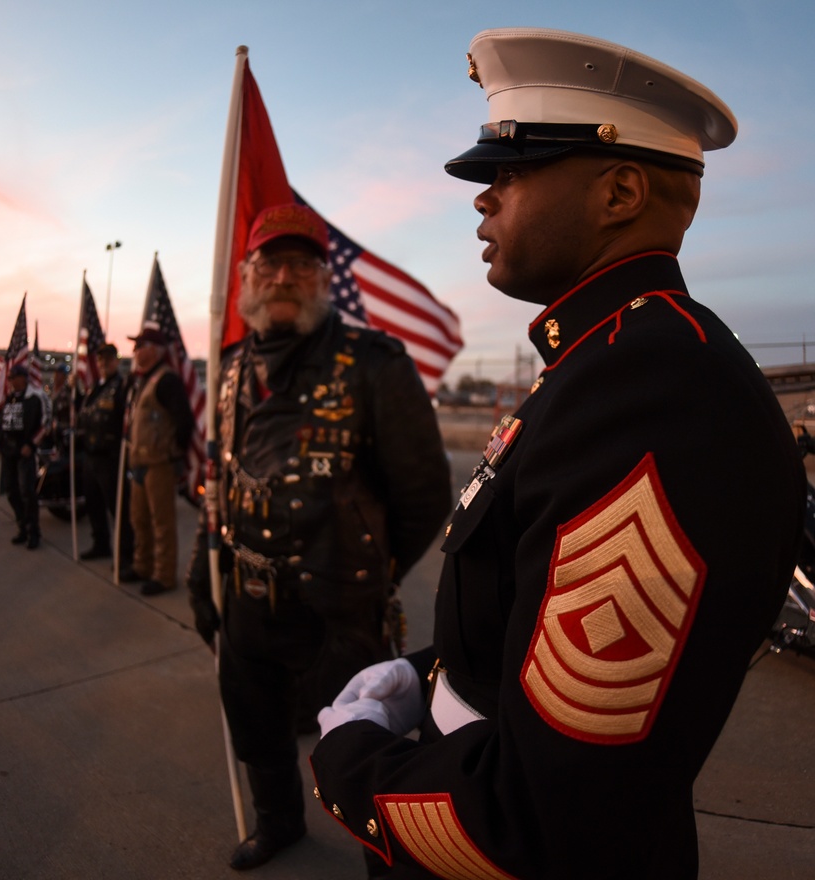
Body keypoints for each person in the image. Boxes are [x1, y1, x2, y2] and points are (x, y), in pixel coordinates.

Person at [310, 28, 807, 880]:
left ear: (619, 192)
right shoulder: (603, 365)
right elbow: (527, 606)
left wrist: (351, 762)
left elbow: (545, 814)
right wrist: (429, 674)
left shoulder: (655, 390)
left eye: (509, 173)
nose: (482, 199)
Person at [186, 203, 451, 871]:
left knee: (363, 747)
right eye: (268, 263)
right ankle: (278, 823)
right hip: (247, 598)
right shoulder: (233, 368)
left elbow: (423, 498)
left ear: (322, 277)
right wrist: (202, 566)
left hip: (339, 606)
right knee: (256, 724)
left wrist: (367, 569)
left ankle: (378, 859)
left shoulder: (374, 364)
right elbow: (220, 478)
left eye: (300, 265)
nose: (283, 277)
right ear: (246, 276)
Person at [121, 321, 194, 595]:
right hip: (138, 463)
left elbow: (184, 421)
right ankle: (142, 565)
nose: (136, 350)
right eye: (136, 346)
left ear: (158, 350)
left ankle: (163, 576)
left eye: (141, 345)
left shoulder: (166, 380)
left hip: (158, 464)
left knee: (161, 522)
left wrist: (172, 453)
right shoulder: (141, 381)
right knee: (138, 519)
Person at [76, 343, 133, 563]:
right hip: (91, 455)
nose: (103, 364)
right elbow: (85, 414)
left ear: (116, 362)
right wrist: (77, 397)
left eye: (108, 360)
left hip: (110, 456)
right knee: (93, 504)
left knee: (117, 509)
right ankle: (100, 544)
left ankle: (126, 554)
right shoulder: (95, 388)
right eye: (100, 360)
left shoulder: (121, 386)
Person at [0, 364, 46, 549]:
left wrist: (32, 444)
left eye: (14, 377)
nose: (11, 381)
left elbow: (44, 424)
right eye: (9, 378)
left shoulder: (34, 399)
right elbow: (0, 424)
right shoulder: (8, 400)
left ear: (24, 378)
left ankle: (34, 532)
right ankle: (22, 526)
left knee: (27, 491)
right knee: (11, 491)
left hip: (25, 453)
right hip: (8, 453)